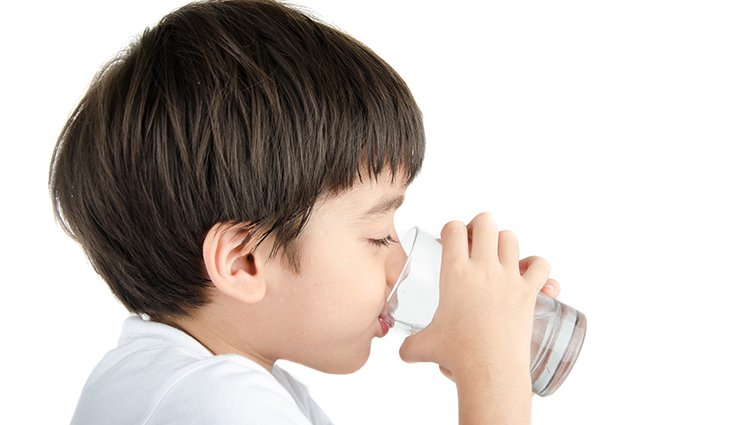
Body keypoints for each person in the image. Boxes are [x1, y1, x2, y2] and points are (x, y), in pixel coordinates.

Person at [49, 1, 560, 423]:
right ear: (245, 261)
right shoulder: (217, 401)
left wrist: (479, 351)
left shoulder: (172, 378)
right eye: (377, 234)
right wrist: (492, 372)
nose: (400, 265)